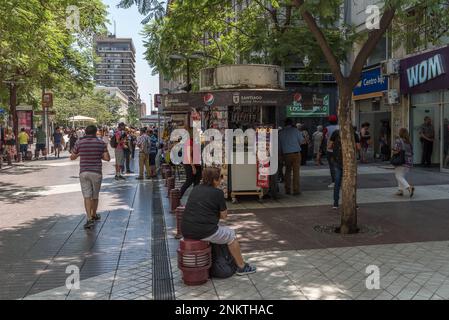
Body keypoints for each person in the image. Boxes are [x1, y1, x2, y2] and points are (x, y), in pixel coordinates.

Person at [181, 167, 257, 276]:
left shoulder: (196, 188)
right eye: (220, 177)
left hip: (186, 229)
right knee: (231, 235)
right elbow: (224, 216)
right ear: (215, 180)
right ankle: (241, 266)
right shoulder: (218, 193)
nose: (221, 180)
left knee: (219, 228)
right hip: (203, 231)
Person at [70, 125, 111, 229]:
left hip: (83, 172)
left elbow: (72, 157)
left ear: (85, 132)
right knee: (95, 196)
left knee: (87, 196)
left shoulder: (79, 142)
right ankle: (94, 215)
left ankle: (89, 218)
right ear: (95, 132)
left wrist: (80, 153)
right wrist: (99, 155)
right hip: (96, 172)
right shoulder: (101, 142)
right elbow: (107, 158)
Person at [328, 128, 361, 209]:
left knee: (337, 183)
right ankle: (353, 203)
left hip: (337, 161)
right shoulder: (354, 134)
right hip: (350, 162)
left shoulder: (336, 132)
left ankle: (335, 203)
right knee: (351, 183)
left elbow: (329, 146)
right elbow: (358, 148)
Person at [279, 118, 303, 195]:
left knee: (287, 172)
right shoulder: (296, 131)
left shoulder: (281, 132)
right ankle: (296, 190)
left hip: (286, 154)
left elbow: (279, 146)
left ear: (285, 123)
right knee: (296, 172)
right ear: (292, 123)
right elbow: (301, 141)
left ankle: (287, 189)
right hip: (296, 153)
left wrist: (280, 155)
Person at [180, 129, 202, 199]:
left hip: (197, 164)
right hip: (190, 164)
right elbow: (189, 155)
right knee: (189, 181)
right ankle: (179, 196)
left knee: (197, 182)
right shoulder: (190, 142)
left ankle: (194, 198)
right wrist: (193, 167)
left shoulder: (196, 142)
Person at [393, 128, 415, 197]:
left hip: (401, 161)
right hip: (409, 162)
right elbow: (411, 152)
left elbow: (396, 150)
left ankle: (409, 187)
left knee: (398, 176)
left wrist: (393, 150)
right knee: (401, 175)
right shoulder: (409, 142)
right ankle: (400, 190)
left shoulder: (398, 141)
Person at [325, 115, 339, 188]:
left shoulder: (327, 128)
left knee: (332, 166)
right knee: (339, 166)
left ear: (329, 121)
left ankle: (334, 182)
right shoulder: (340, 127)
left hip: (330, 150)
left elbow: (325, 137)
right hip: (340, 150)